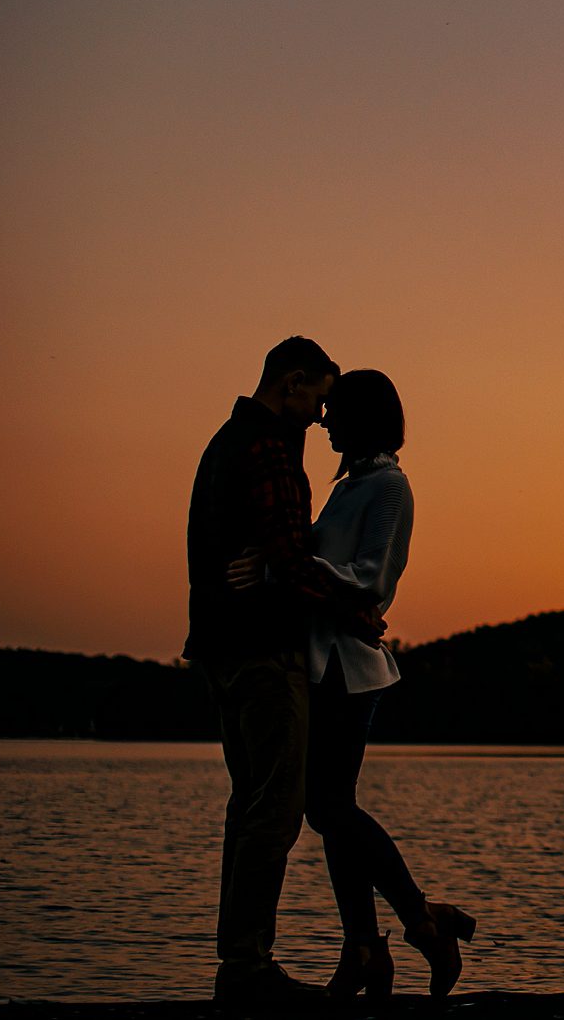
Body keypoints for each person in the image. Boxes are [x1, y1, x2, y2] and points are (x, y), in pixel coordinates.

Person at [229, 368, 475, 999]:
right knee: (329, 811)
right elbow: (316, 563)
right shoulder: (351, 486)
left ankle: (419, 921)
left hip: (349, 668)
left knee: (329, 807)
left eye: (334, 410)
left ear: (362, 417)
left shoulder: (389, 486)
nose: (323, 419)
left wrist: (287, 564)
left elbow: (368, 579)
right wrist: (278, 563)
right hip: (321, 660)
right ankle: (367, 945)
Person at [185, 336, 386, 1004]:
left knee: (248, 806)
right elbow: (294, 559)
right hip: (264, 651)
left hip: (220, 649)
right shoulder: (268, 448)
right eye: (319, 397)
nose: (322, 415)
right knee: (275, 808)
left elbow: (277, 553)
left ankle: (239, 961)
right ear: (292, 381)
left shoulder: (224, 441)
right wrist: (355, 614)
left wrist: (273, 562)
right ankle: (247, 968)